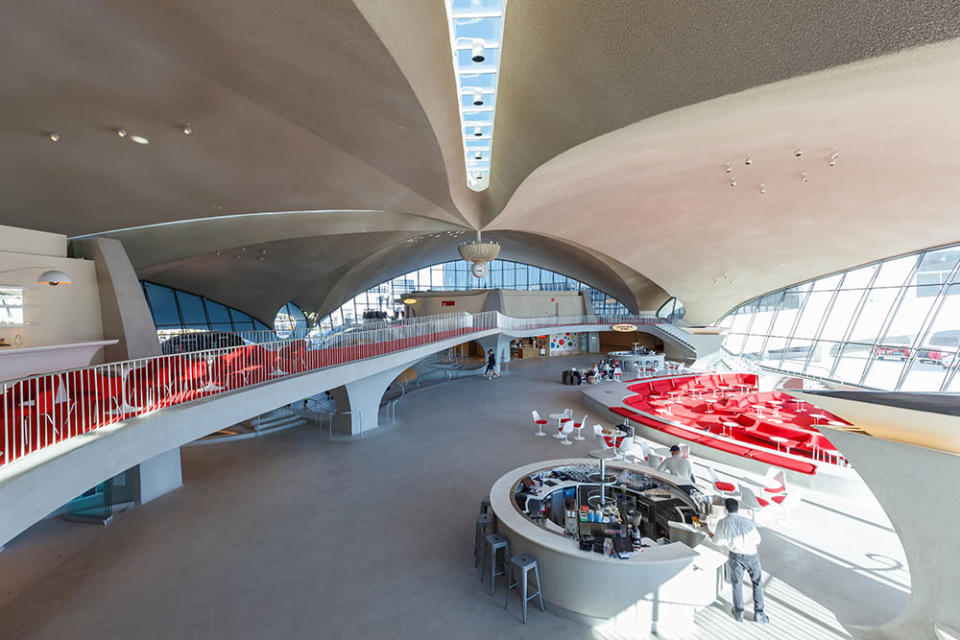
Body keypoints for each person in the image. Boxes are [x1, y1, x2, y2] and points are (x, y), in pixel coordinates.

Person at [708, 498, 770, 624]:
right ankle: (759, 613)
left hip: (735, 556)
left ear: (726, 509)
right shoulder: (748, 522)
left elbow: (717, 541)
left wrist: (710, 534)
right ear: (738, 508)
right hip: (752, 555)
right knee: (757, 583)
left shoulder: (723, 522)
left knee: (737, 584)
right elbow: (758, 540)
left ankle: (738, 613)